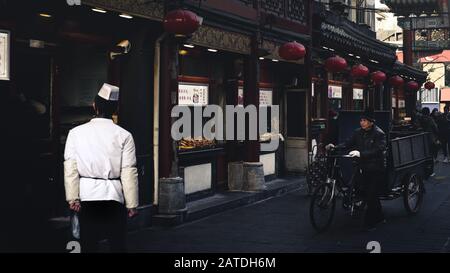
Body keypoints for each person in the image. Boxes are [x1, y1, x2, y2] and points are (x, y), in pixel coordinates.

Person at [64, 83, 139, 253]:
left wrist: (72, 198)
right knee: (117, 245)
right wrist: (132, 204)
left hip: (87, 196)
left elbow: (71, 168)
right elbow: (129, 170)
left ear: (94, 106)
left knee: (89, 245)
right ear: (116, 108)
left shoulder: (75, 133)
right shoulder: (124, 135)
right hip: (114, 196)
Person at [326, 108, 387, 231]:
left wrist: (361, 154)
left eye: (364, 120)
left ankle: (370, 223)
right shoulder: (357, 132)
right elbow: (348, 143)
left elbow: (378, 150)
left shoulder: (379, 134)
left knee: (371, 194)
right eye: (361, 120)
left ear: (371, 122)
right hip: (362, 167)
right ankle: (380, 216)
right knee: (365, 193)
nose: (362, 122)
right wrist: (335, 147)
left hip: (375, 167)